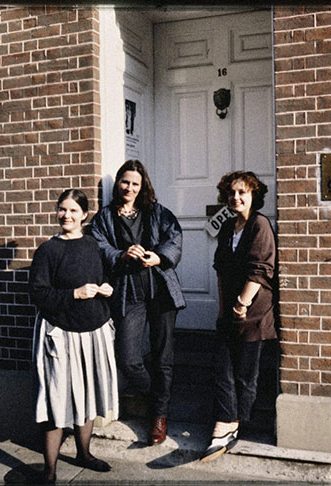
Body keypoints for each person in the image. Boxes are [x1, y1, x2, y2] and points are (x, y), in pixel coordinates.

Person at [90, 159, 185, 446]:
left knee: (162, 356)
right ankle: (159, 398)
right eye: (125, 182)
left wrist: (159, 257)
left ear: (142, 186)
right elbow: (98, 245)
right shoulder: (104, 217)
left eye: (135, 183)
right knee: (128, 358)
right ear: (117, 183)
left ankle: (159, 415)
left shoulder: (157, 212)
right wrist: (120, 254)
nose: (129, 188)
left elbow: (175, 238)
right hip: (129, 292)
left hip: (161, 291)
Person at [29, 189, 118, 481]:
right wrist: (74, 294)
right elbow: (39, 294)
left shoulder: (92, 245)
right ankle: (50, 470)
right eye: (62, 210)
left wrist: (106, 287)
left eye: (72, 211)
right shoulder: (47, 250)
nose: (66, 215)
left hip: (93, 332)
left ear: (84, 215)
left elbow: (104, 275)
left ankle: (84, 453)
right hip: (60, 334)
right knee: (56, 399)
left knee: (89, 393)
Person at [200, 171, 277, 463]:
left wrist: (242, 304)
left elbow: (260, 270)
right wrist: (224, 309)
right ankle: (226, 422)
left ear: (253, 195)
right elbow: (220, 268)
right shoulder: (228, 227)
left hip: (254, 312)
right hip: (230, 312)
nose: (236, 198)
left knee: (245, 374)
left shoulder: (260, 225)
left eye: (242, 192)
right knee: (222, 368)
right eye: (232, 193)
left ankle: (233, 424)